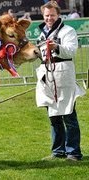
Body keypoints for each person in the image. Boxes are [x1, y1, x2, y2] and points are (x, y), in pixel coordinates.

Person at [35, 1, 86, 161]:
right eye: (46, 15)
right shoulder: (41, 34)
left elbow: (71, 50)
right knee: (53, 116)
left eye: (52, 15)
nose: (49, 18)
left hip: (63, 76)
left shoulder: (68, 31)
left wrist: (56, 47)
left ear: (58, 15)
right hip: (47, 77)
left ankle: (74, 152)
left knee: (68, 115)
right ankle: (58, 151)